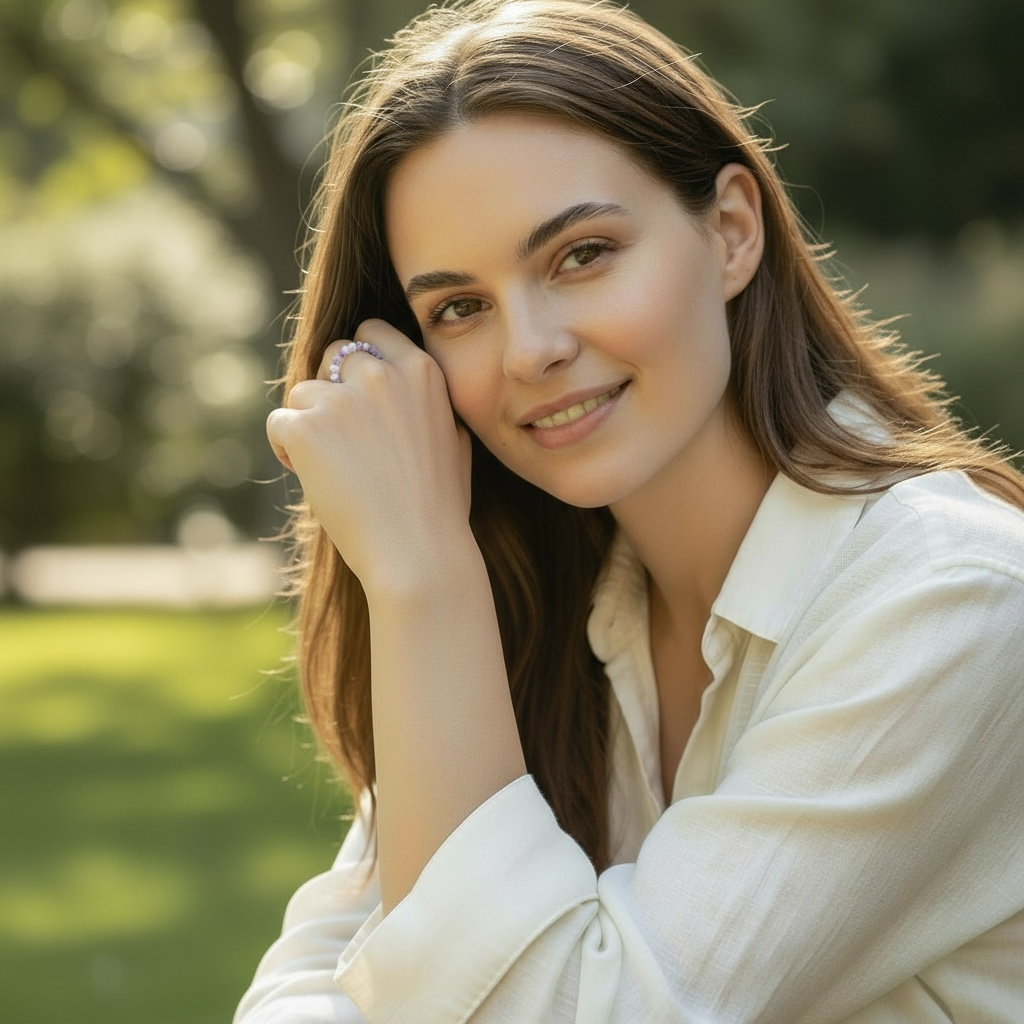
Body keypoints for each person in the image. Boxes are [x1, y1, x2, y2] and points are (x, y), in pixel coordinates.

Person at [236, 0, 1024, 1020]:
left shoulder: (950, 604)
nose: (530, 350)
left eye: (581, 255)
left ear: (731, 232)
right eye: (458, 309)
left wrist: (421, 571)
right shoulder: (533, 603)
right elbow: (310, 985)